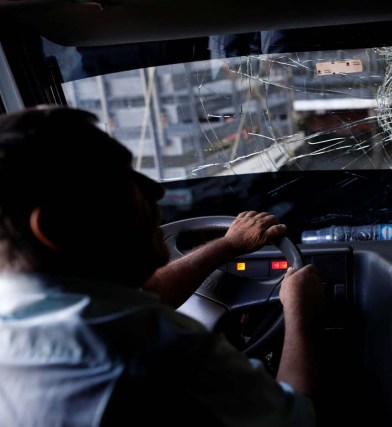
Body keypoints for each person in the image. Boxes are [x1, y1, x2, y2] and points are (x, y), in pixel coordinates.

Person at [0, 105, 324, 426]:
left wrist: (229, 244)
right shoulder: (152, 352)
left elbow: (146, 292)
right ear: (58, 226)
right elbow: (297, 419)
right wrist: (299, 312)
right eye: (121, 179)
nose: (156, 190)